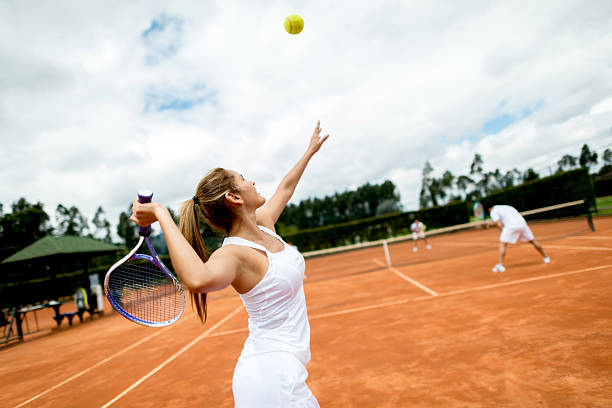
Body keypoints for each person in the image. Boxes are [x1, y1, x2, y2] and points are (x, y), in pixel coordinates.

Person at [130, 121, 329, 407]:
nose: (252, 182)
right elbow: (198, 279)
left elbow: (285, 188)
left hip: (283, 372)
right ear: (234, 197)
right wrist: (162, 214)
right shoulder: (233, 254)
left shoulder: (265, 225)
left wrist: (309, 152)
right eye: (244, 178)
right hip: (271, 380)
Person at [487, 204, 551, 273]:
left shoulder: (493, 211)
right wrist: (491, 224)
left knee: (503, 244)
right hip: (522, 223)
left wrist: (503, 232)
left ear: (489, 209)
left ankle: (500, 265)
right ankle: (546, 257)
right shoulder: (507, 207)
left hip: (511, 225)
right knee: (532, 241)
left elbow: (499, 224)